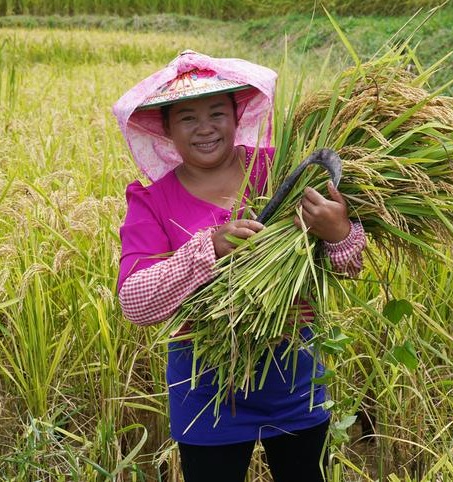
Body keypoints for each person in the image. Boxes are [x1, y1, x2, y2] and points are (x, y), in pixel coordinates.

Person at [113, 50, 365, 482]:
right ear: (166, 128)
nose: (205, 127)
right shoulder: (151, 202)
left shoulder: (280, 170)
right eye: (188, 118)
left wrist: (339, 231)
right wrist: (209, 248)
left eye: (217, 112)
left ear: (236, 116)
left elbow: (350, 266)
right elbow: (135, 303)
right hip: (205, 389)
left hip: (295, 376)